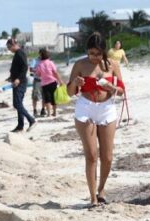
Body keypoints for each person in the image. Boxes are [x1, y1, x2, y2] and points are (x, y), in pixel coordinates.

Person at [67, 32, 125, 208]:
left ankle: (101, 190)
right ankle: (92, 197)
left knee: (107, 157)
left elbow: (122, 90)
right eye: (91, 53)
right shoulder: (80, 64)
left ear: (103, 52)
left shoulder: (112, 64)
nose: (93, 57)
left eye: (97, 54)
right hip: (85, 107)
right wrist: (75, 83)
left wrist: (112, 87)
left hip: (106, 108)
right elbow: (69, 93)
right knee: (92, 155)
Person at [6, 38, 36, 132]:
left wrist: (18, 79)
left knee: (17, 103)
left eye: (9, 47)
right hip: (17, 81)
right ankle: (20, 126)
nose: (8, 49)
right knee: (19, 103)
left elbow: (24, 67)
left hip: (20, 82)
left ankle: (31, 120)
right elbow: (18, 68)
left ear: (14, 45)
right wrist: (11, 77)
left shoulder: (20, 53)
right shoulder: (17, 54)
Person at [35, 48, 64, 118]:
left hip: (44, 84)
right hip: (53, 82)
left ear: (41, 55)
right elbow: (55, 72)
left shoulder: (39, 64)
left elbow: (38, 74)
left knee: (47, 99)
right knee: (54, 98)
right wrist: (60, 81)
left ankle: (48, 113)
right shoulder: (51, 63)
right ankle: (54, 112)